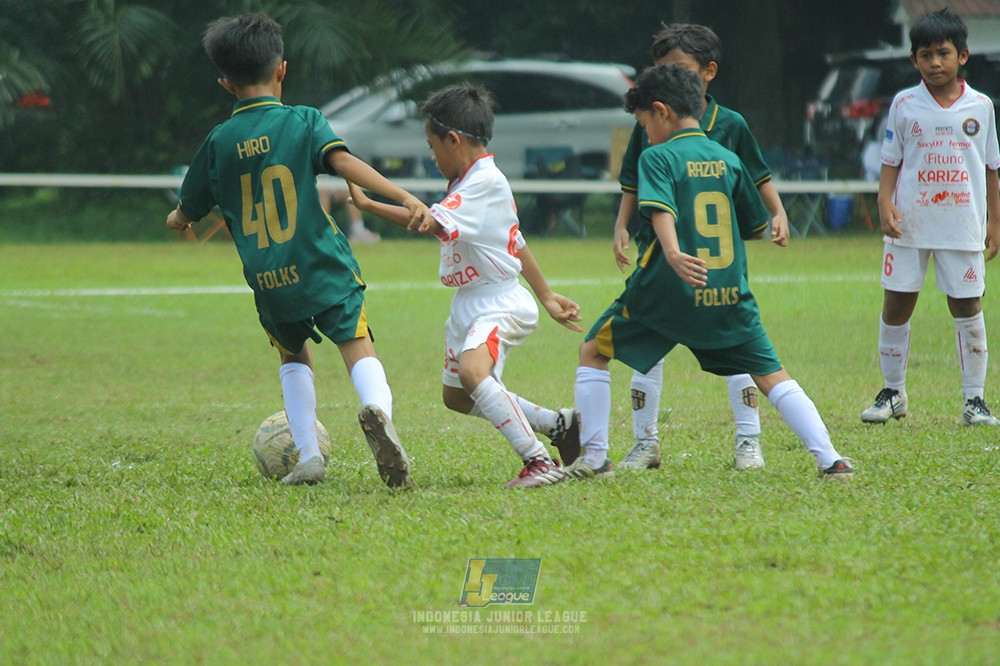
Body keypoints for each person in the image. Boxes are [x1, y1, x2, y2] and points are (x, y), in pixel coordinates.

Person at [165, 13, 430, 487]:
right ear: (282, 70)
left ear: (225, 83)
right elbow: (343, 161)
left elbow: (186, 210)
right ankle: (377, 412)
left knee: (293, 356)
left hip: (269, 279)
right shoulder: (304, 121)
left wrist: (178, 218)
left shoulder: (218, 142)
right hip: (320, 265)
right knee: (356, 343)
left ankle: (308, 457)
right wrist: (404, 196)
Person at [569, 63, 852, 482]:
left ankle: (595, 458)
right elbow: (752, 225)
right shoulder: (727, 159)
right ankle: (831, 459)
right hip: (725, 294)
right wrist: (774, 219)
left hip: (664, 291)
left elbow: (660, 209)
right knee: (773, 374)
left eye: (644, 123)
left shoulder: (657, 156)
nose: (645, 134)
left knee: (593, 350)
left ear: (661, 112)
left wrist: (674, 251)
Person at [347, 83, 584, 488]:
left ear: (453, 140)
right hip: (470, 302)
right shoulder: (469, 182)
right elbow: (514, 239)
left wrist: (372, 205)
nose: (432, 156)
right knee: (456, 397)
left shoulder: (484, 181)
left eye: (432, 146)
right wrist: (545, 295)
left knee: (475, 373)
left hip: (498, 301)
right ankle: (557, 424)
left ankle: (539, 461)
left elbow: (430, 223)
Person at [611, 24, 789, 473]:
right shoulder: (651, 119)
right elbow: (634, 177)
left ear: (708, 72)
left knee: (733, 345)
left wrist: (778, 212)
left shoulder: (729, 124)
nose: (670, 77)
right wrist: (620, 226)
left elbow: (756, 174)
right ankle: (645, 442)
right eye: (663, 68)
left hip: (715, 259)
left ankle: (748, 440)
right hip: (661, 253)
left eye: (681, 69)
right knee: (646, 342)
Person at [861, 8, 1000, 427]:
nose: (934, 63)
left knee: (967, 306)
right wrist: (885, 203)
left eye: (943, 53)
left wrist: (994, 221)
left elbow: (991, 168)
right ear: (913, 60)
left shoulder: (982, 106)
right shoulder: (904, 104)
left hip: (961, 224)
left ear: (963, 56)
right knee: (897, 303)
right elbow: (890, 160)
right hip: (910, 223)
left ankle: (974, 400)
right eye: (925, 55)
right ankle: (893, 392)